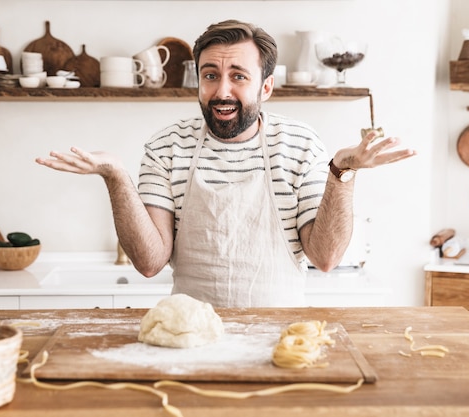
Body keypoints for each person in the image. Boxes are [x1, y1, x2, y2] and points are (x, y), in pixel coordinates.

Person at [36, 19, 416, 308]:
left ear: (265, 87)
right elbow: (150, 263)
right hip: (188, 333)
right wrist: (115, 176)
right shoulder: (165, 147)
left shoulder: (301, 145)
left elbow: (326, 257)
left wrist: (341, 172)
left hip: (279, 333)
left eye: (238, 77)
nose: (221, 91)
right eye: (210, 76)